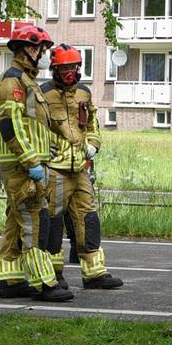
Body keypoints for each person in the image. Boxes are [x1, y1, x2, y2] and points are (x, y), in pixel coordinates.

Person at [0, 25, 72, 302]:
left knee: (16, 224)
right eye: (38, 48)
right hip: (23, 168)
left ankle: (9, 280)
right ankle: (44, 283)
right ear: (25, 48)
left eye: (43, 48)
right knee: (35, 224)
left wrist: (49, 149)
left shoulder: (27, 81)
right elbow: (9, 125)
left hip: (32, 165)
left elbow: (33, 126)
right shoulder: (13, 81)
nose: (42, 53)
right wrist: (31, 162)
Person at [40, 45, 122, 291]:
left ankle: (94, 273)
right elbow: (32, 126)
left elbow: (93, 125)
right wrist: (43, 147)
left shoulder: (84, 93)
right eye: (65, 67)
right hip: (55, 170)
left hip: (80, 170)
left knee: (89, 219)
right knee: (54, 223)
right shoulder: (43, 94)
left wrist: (94, 144)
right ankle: (55, 274)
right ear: (55, 68)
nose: (70, 72)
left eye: (74, 67)